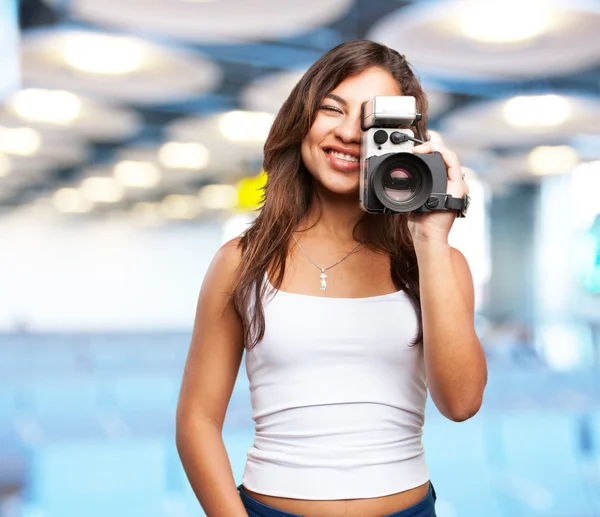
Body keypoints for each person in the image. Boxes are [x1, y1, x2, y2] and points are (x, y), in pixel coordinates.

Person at [176, 40, 488, 517]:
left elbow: (462, 403)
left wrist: (429, 238)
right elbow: (197, 420)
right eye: (331, 108)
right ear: (301, 119)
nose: (348, 132)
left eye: (372, 120)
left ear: (404, 140)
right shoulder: (242, 261)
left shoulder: (438, 261)